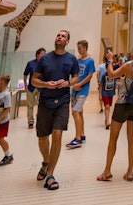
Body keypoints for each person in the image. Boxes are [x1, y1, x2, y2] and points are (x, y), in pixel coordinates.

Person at [97, 42, 133, 182]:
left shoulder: (129, 65)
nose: (131, 53)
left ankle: (107, 171)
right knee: (131, 138)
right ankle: (130, 172)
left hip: (123, 103)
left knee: (113, 138)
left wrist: (110, 60)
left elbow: (111, 74)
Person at [31, 29, 79, 191]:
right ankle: (46, 161)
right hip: (45, 101)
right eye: (58, 35)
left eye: (63, 36)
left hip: (63, 102)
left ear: (67, 41)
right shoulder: (44, 59)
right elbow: (34, 80)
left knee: (57, 134)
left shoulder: (71, 59)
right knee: (43, 137)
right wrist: (46, 84)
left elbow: (75, 77)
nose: (59, 37)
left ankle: (50, 174)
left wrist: (67, 83)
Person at [66, 39, 96, 148]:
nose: (78, 50)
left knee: (75, 112)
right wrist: (74, 84)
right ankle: (82, 134)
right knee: (79, 112)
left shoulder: (90, 60)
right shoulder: (77, 61)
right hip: (74, 90)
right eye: (78, 48)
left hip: (83, 90)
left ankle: (77, 138)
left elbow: (89, 75)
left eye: (80, 48)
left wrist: (80, 84)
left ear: (85, 48)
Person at [22, 47, 46, 130]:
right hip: (31, 87)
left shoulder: (45, 64)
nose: (43, 55)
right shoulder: (30, 63)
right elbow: (25, 74)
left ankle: (39, 120)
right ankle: (30, 122)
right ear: (37, 54)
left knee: (41, 105)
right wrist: (25, 85)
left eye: (44, 54)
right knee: (30, 105)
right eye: (42, 54)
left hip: (41, 87)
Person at [97, 54, 117, 130]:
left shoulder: (114, 75)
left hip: (111, 93)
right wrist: (100, 95)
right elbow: (101, 85)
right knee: (107, 106)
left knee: (108, 107)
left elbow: (118, 81)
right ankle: (108, 121)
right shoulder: (104, 76)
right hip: (104, 93)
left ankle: (106, 120)